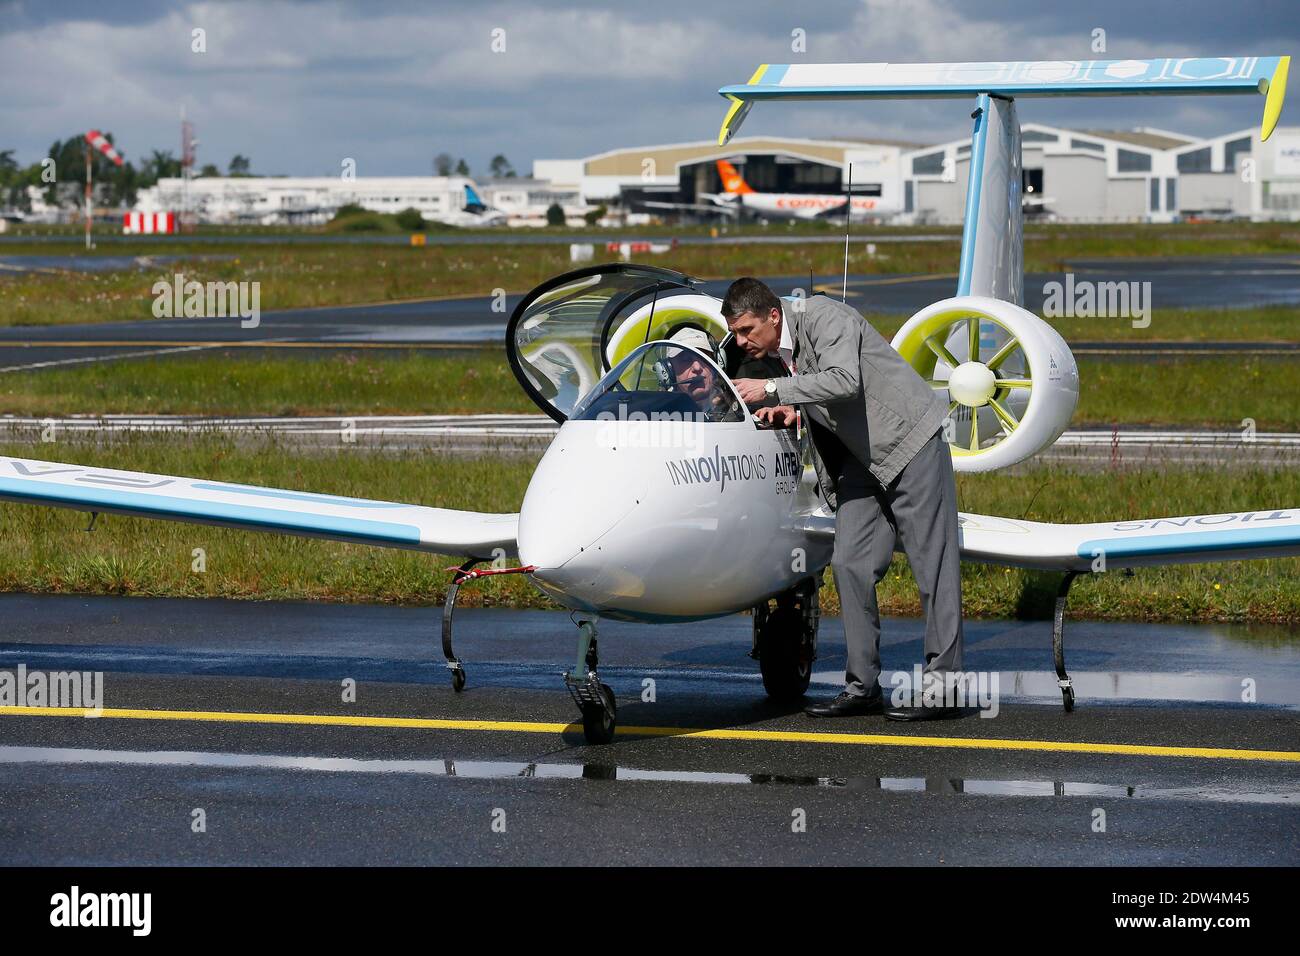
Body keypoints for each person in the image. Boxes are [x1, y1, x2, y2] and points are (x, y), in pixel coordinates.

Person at [722, 277, 965, 721]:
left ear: (774, 316)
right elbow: (825, 395)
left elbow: (844, 381)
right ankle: (862, 688)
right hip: (861, 462)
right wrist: (795, 410)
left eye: (746, 331)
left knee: (933, 565)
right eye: (736, 333)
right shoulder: (782, 349)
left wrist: (773, 390)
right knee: (849, 564)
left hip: (910, 444)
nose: (741, 342)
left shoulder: (826, 317)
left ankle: (943, 689)